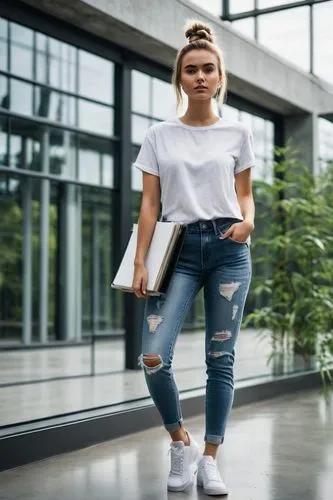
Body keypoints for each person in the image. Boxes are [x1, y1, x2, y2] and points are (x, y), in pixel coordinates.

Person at [132, 19, 255, 496]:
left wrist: (250, 223)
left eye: (208, 70)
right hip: (176, 251)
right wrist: (142, 262)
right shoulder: (159, 136)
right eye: (191, 71)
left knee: (220, 359)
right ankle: (179, 441)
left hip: (229, 249)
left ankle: (210, 458)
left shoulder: (238, 133)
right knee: (153, 355)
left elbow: (245, 196)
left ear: (220, 78)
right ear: (179, 79)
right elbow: (149, 204)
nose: (200, 77)